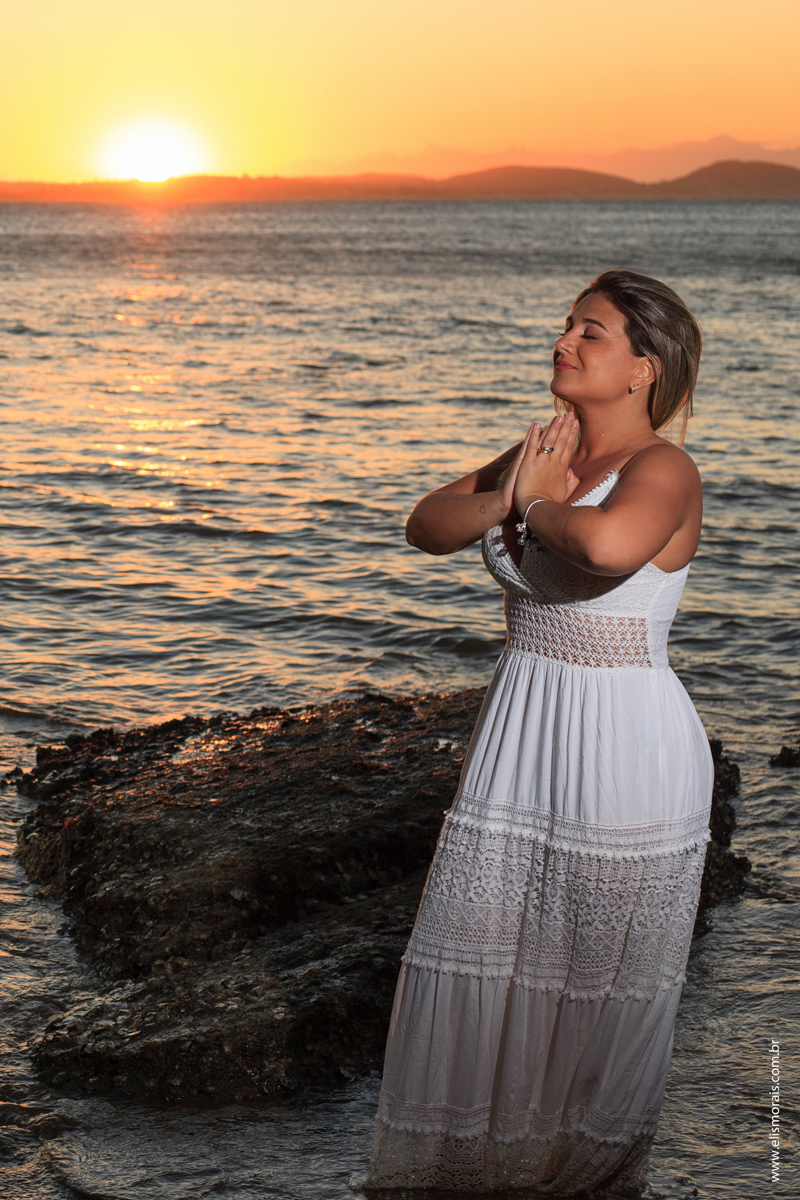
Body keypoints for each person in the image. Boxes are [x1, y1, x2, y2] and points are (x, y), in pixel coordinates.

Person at [364, 270, 713, 1197]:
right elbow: (426, 524)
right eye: (566, 326)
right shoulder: (544, 450)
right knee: (493, 957)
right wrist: (515, 490)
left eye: (588, 332)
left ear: (643, 368)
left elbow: (602, 548)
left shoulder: (664, 468)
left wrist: (535, 505)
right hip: (524, 730)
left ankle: (580, 1179)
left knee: (586, 979)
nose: (563, 342)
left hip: (621, 745)